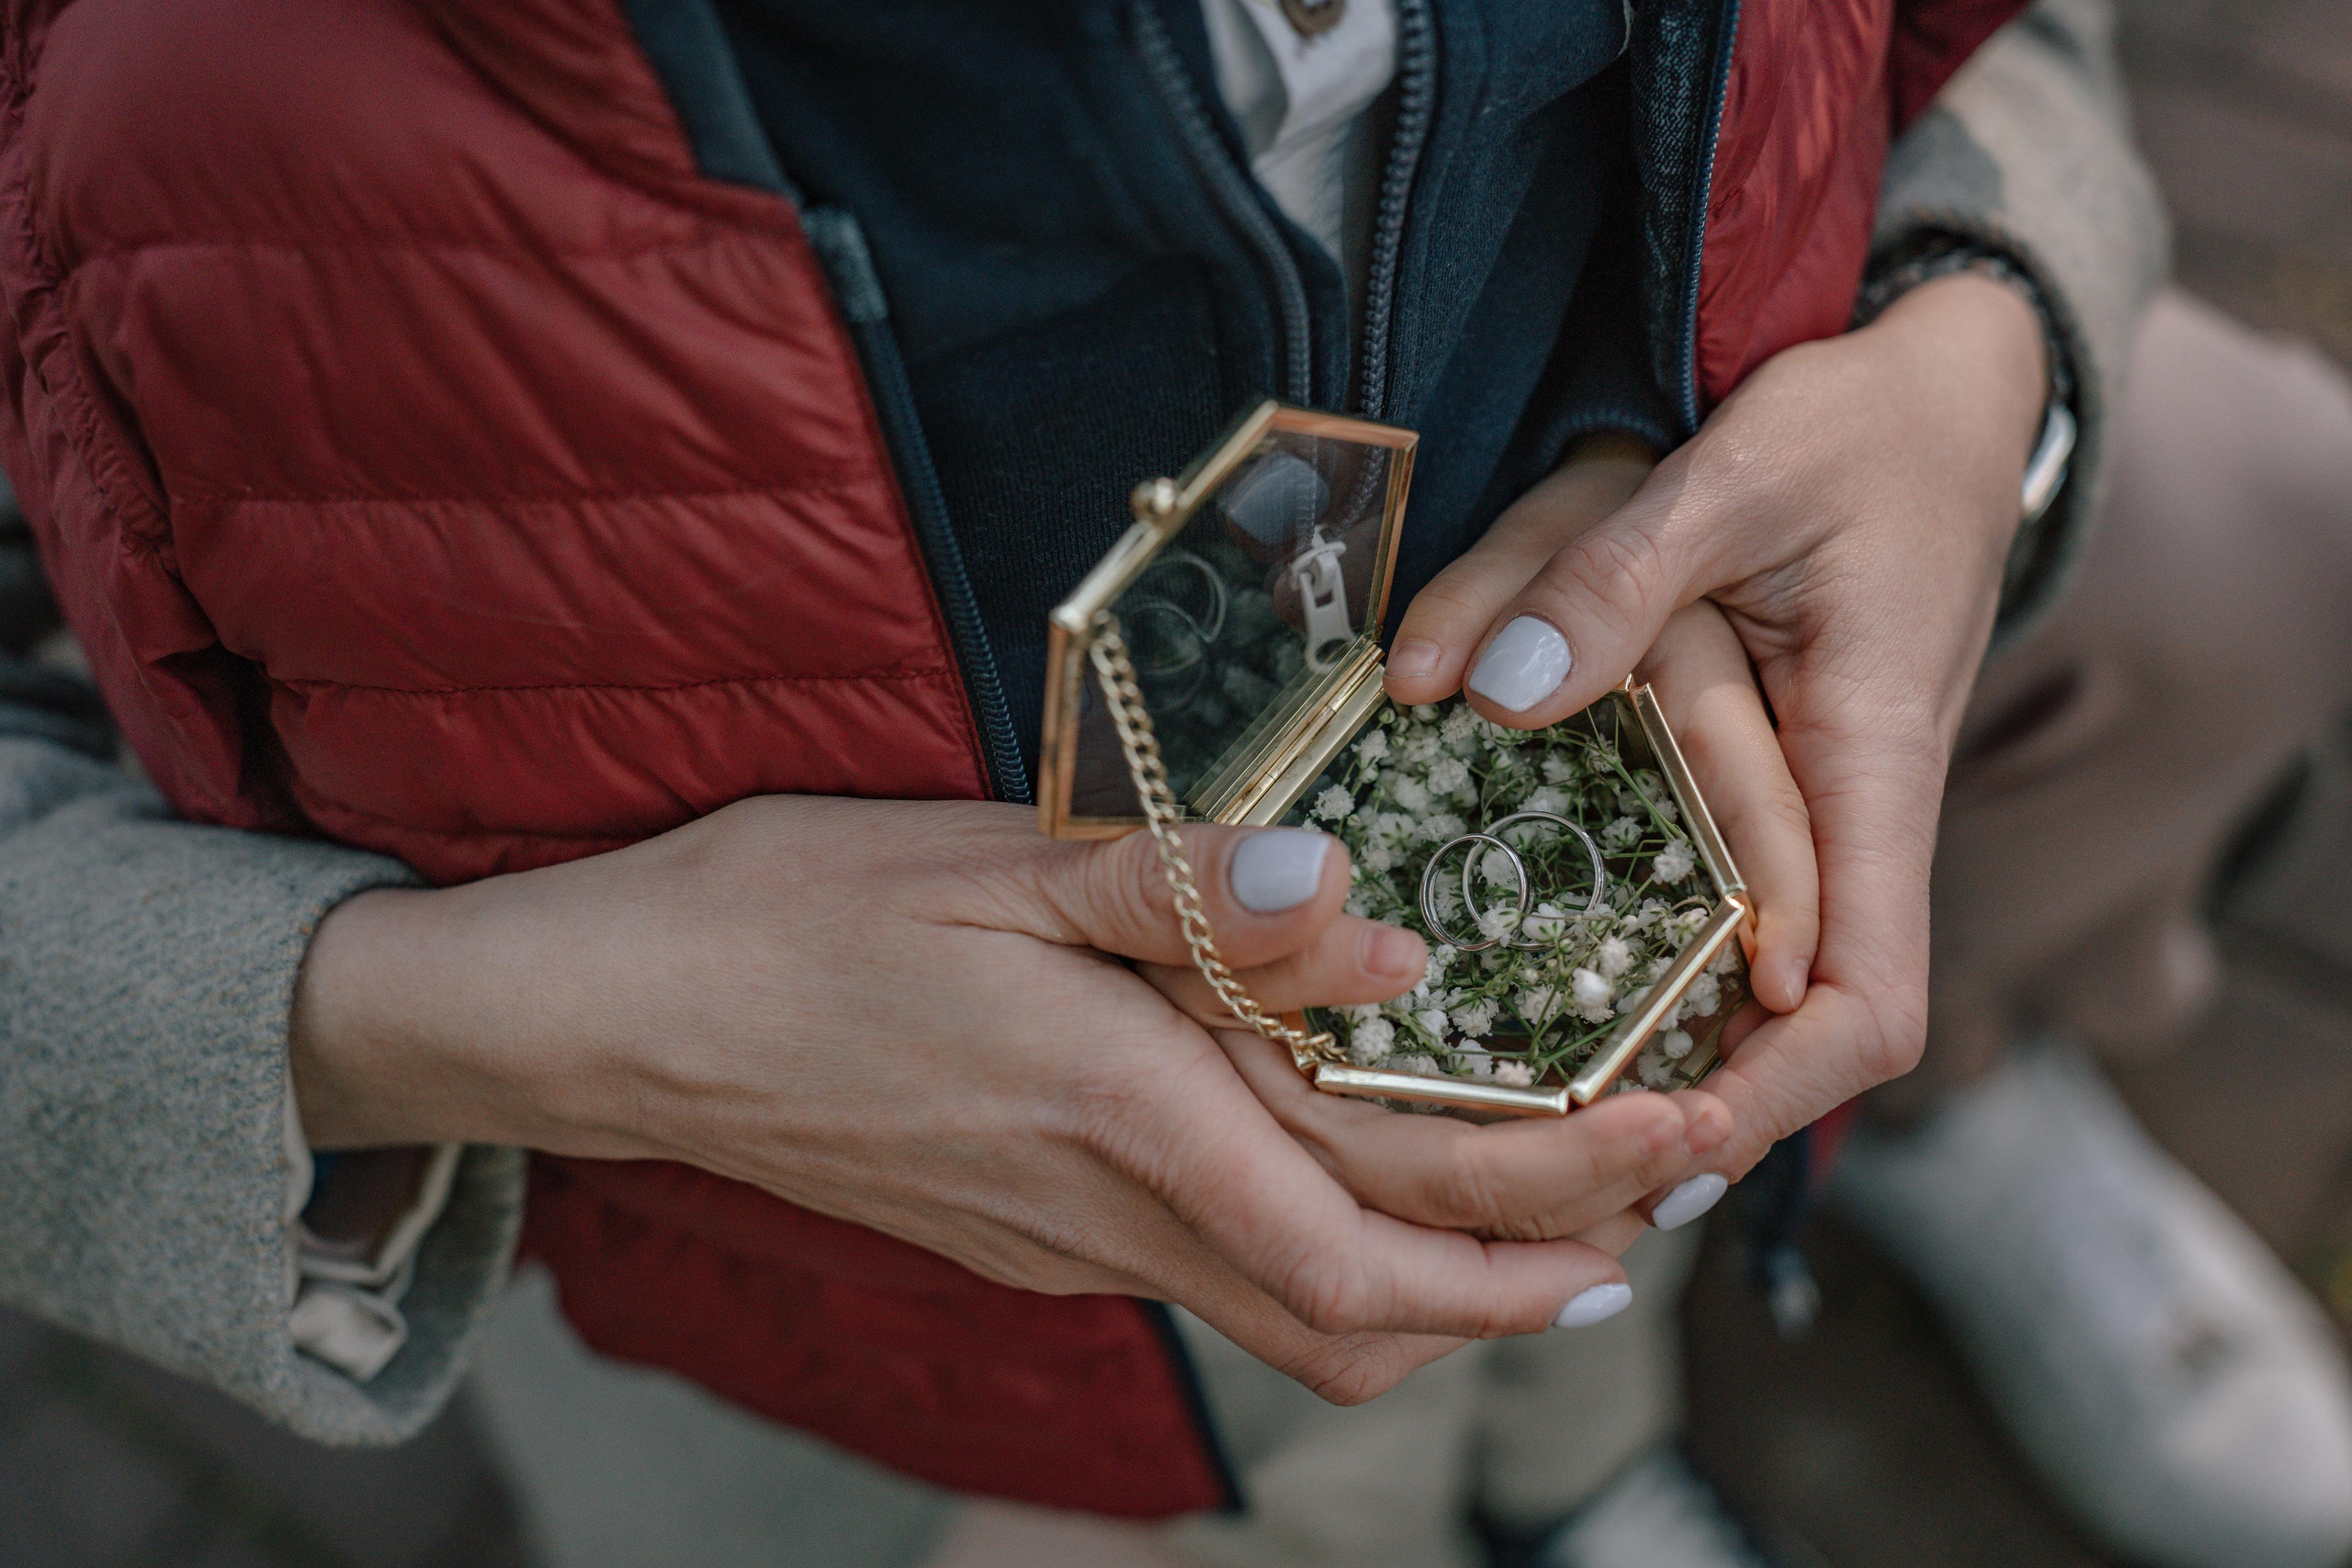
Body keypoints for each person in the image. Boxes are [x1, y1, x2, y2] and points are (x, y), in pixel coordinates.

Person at [2, 2, 2346, 1568]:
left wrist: (1982, 322)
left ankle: (1592, 1446)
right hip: (829, 1283)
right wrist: (482, 1016)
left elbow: (1983, 34)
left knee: (2260, 522)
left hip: (1636, 808)